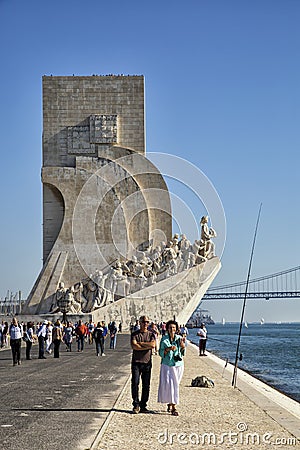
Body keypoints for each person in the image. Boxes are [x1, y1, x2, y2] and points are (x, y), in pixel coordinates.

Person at [157, 320, 185, 416]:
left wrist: (182, 346)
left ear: (176, 329)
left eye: (173, 327)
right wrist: (168, 349)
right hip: (167, 364)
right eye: (170, 327)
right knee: (171, 385)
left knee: (175, 384)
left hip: (178, 364)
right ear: (167, 329)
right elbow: (160, 353)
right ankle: (173, 407)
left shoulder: (179, 338)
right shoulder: (164, 339)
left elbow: (183, 353)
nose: (172, 329)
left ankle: (170, 402)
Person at [131, 315, 156, 414]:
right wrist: (147, 345)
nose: (145, 324)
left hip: (147, 363)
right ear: (140, 322)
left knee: (146, 385)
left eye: (147, 322)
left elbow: (153, 345)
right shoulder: (135, 334)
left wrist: (140, 344)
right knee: (135, 384)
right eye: (144, 322)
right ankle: (136, 404)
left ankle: (143, 405)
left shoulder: (151, 334)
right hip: (136, 362)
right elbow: (134, 346)